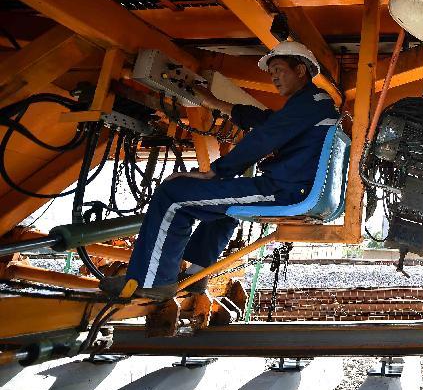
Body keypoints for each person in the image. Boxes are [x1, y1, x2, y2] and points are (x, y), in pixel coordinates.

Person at [100, 41, 338, 299]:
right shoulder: (312, 104)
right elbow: (264, 121)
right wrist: (215, 103)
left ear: (301, 70)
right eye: (271, 73)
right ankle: (196, 276)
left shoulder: (311, 103)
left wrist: (216, 171)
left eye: (279, 69)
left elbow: (265, 136)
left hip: (284, 191)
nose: (274, 78)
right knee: (225, 206)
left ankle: (150, 282)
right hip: (292, 189)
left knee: (173, 195)